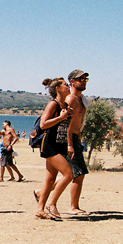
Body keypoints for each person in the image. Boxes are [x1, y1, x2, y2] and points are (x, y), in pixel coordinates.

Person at [35, 77, 73, 220]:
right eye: (65, 85)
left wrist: (69, 144)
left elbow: (67, 127)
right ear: (58, 89)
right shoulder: (53, 104)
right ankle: (52, 204)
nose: (68, 87)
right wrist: (61, 118)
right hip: (50, 145)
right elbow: (43, 125)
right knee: (68, 174)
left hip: (60, 144)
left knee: (50, 179)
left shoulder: (65, 105)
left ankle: (40, 209)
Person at [65, 69, 90, 213]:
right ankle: (73, 207)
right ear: (72, 82)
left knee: (69, 173)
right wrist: (70, 144)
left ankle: (40, 193)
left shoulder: (81, 100)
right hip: (70, 140)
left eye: (85, 79)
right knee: (78, 173)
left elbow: (78, 123)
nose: (84, 82)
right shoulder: (71, 99)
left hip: (75, 139)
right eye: (81, 79)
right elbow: (67, 124)